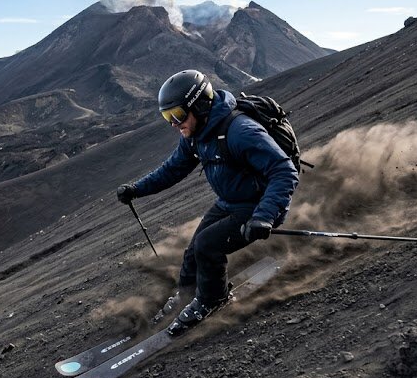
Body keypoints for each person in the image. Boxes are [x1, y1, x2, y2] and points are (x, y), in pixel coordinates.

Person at [117, 69, 299, 336]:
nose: (173, 123)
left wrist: (265, 215)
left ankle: (214, 300)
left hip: (257, 205)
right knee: (193, 251)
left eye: (177, 115)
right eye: (167, 117)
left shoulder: (240, 131)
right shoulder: (196, 135)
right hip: (230, 201)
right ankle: (187, 296)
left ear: (200, 105)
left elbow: (284, 171)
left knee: (208, 247)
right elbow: (172, 169)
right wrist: (136, 189)